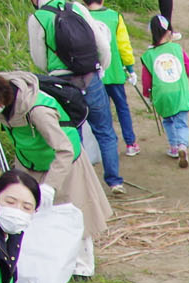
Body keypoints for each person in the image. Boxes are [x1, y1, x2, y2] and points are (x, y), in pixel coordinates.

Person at [0, 70, 111, 273]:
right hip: (30, 162)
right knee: (31, 214)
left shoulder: (37, 110)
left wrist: (50, 186)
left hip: (64, 162)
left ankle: (83, 267)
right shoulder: (2, 106)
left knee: (75, 213)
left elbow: (64, 149)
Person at [25, 0, 123, 192]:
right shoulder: (77, 7)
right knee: (105, 131)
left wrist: (54, 73)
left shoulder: (37, 18)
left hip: (63, 83)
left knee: (72, 134)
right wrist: (98, 69)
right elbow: (102, 45)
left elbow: (39, 58)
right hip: (90, 77)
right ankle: (115, 181)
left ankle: (84, 185)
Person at [83, 0, 140, 156]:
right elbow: (124, 45)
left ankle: (109, 147)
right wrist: (130, 68)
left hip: (92, 76)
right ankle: (130, 143)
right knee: (122, 108)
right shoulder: (115, 16)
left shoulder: (81, 16)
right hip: (115, 72)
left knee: (103, 113)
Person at [138, 15, 189, 167]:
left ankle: (174, 148)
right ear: (169, 32)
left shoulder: (148, 55)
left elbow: (146, 79)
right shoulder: (177, 48)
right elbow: (188, 69)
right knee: (181, 122)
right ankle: (183, 146)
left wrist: (147, 94)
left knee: (168, 120)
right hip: (179, 91)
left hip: (162, 94)